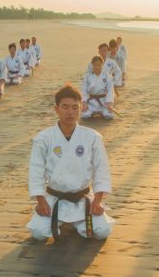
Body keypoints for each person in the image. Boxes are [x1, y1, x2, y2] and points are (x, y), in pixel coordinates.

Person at [27, 85, 115, 241]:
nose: (70, 112)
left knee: (102, 231)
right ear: (56, 109)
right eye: (65, 107)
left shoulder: (92, 137)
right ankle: (68, 223)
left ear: (81, 108)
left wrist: (98, 201)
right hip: (54, 200)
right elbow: (36, 172)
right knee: (39, 234)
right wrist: (41, 201)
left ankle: (75, 224)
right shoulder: (43, 138)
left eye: (75, 107)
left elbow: (102, 170)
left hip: (83, 199)